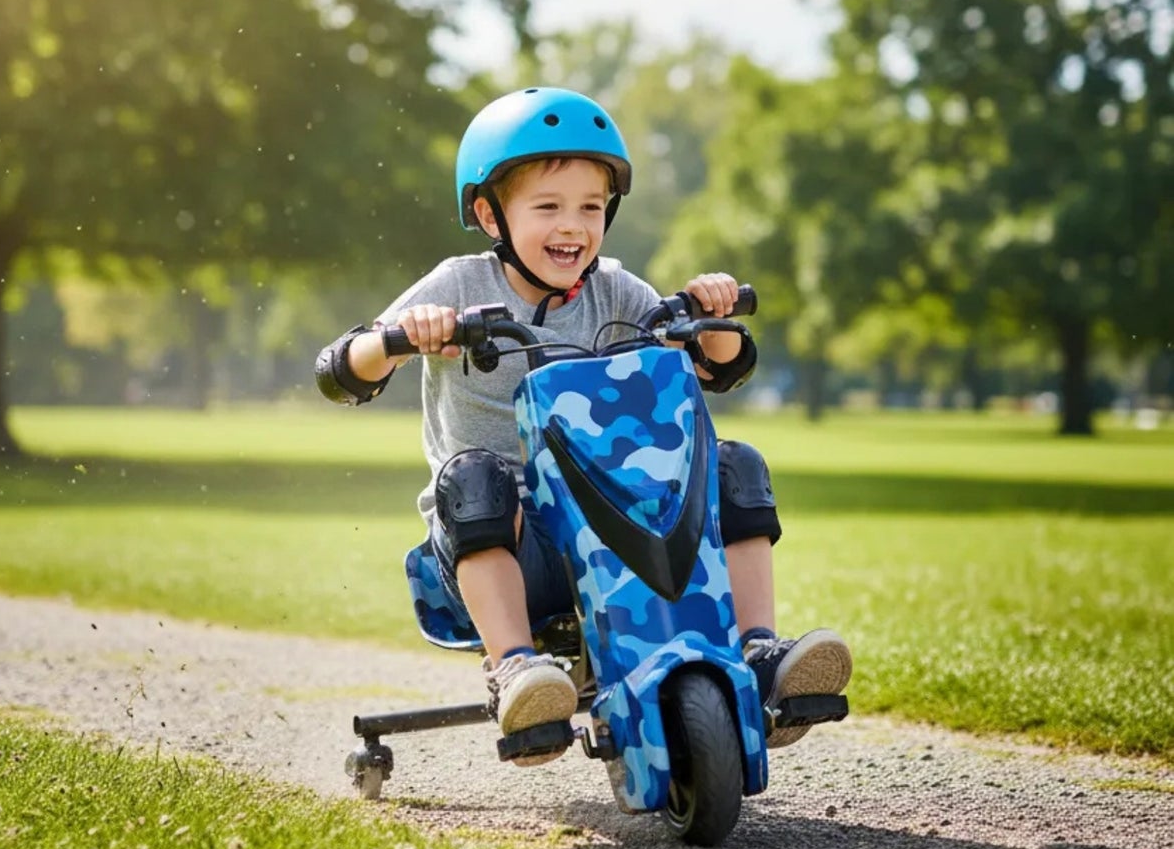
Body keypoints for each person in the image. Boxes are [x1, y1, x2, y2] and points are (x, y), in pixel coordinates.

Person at [315, 87, 851, 762]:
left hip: (618, 529)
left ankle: (755, 653)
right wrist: (400, 336)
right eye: (547, 207)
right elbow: (340, 370)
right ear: (489, 214)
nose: (572, 225)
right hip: (514, 549)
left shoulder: (616, 292)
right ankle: (515, 671)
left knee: (732, 463)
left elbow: (722, 367)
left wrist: (710, 314)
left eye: (590, 207)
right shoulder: (457, 285)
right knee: (477, 480)